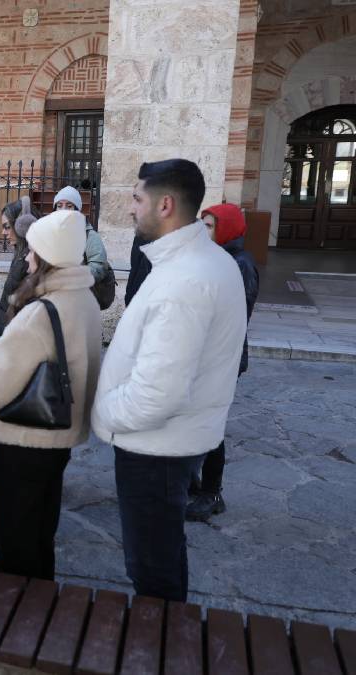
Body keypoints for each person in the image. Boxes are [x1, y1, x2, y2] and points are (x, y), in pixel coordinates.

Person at [91, 159, 247, 602]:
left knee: (152, 571)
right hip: (169, 444)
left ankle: (159, 638)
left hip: (154, 449)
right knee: (163, 553)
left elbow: (156, 395)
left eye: (136, 198)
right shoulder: (199, 261)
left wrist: (104, 413)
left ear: (164, 205)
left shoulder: (186, 279)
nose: (129, 208)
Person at [0, 209, 102, 580]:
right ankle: (38, 605)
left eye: (33, 250)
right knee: (40, 533)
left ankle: (14, 610)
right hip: (59, 435)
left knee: (15, 541)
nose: (26, 258)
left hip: (25, 438)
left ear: (48, 255)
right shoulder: (85, 299)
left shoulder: (39, 312)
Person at [187, 203, 260, 522]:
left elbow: (234, 316)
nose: (201, 231)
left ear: (226, 228)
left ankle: (212, 494)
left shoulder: (240, 264)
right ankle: (193, 482)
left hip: (220, 359)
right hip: (202, 355)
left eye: (208, 226)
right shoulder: (215, 258)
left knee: (210, 425)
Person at [0, 197, 40, 341]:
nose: (3, 232)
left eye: (7, 227)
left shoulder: (32, 261)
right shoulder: (20, 254)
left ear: (22, 226)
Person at [53, 186, 112, 295]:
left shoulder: (90, 236)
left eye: (69, 206)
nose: (63, 210)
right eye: (59, 206)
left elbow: (98, 267)